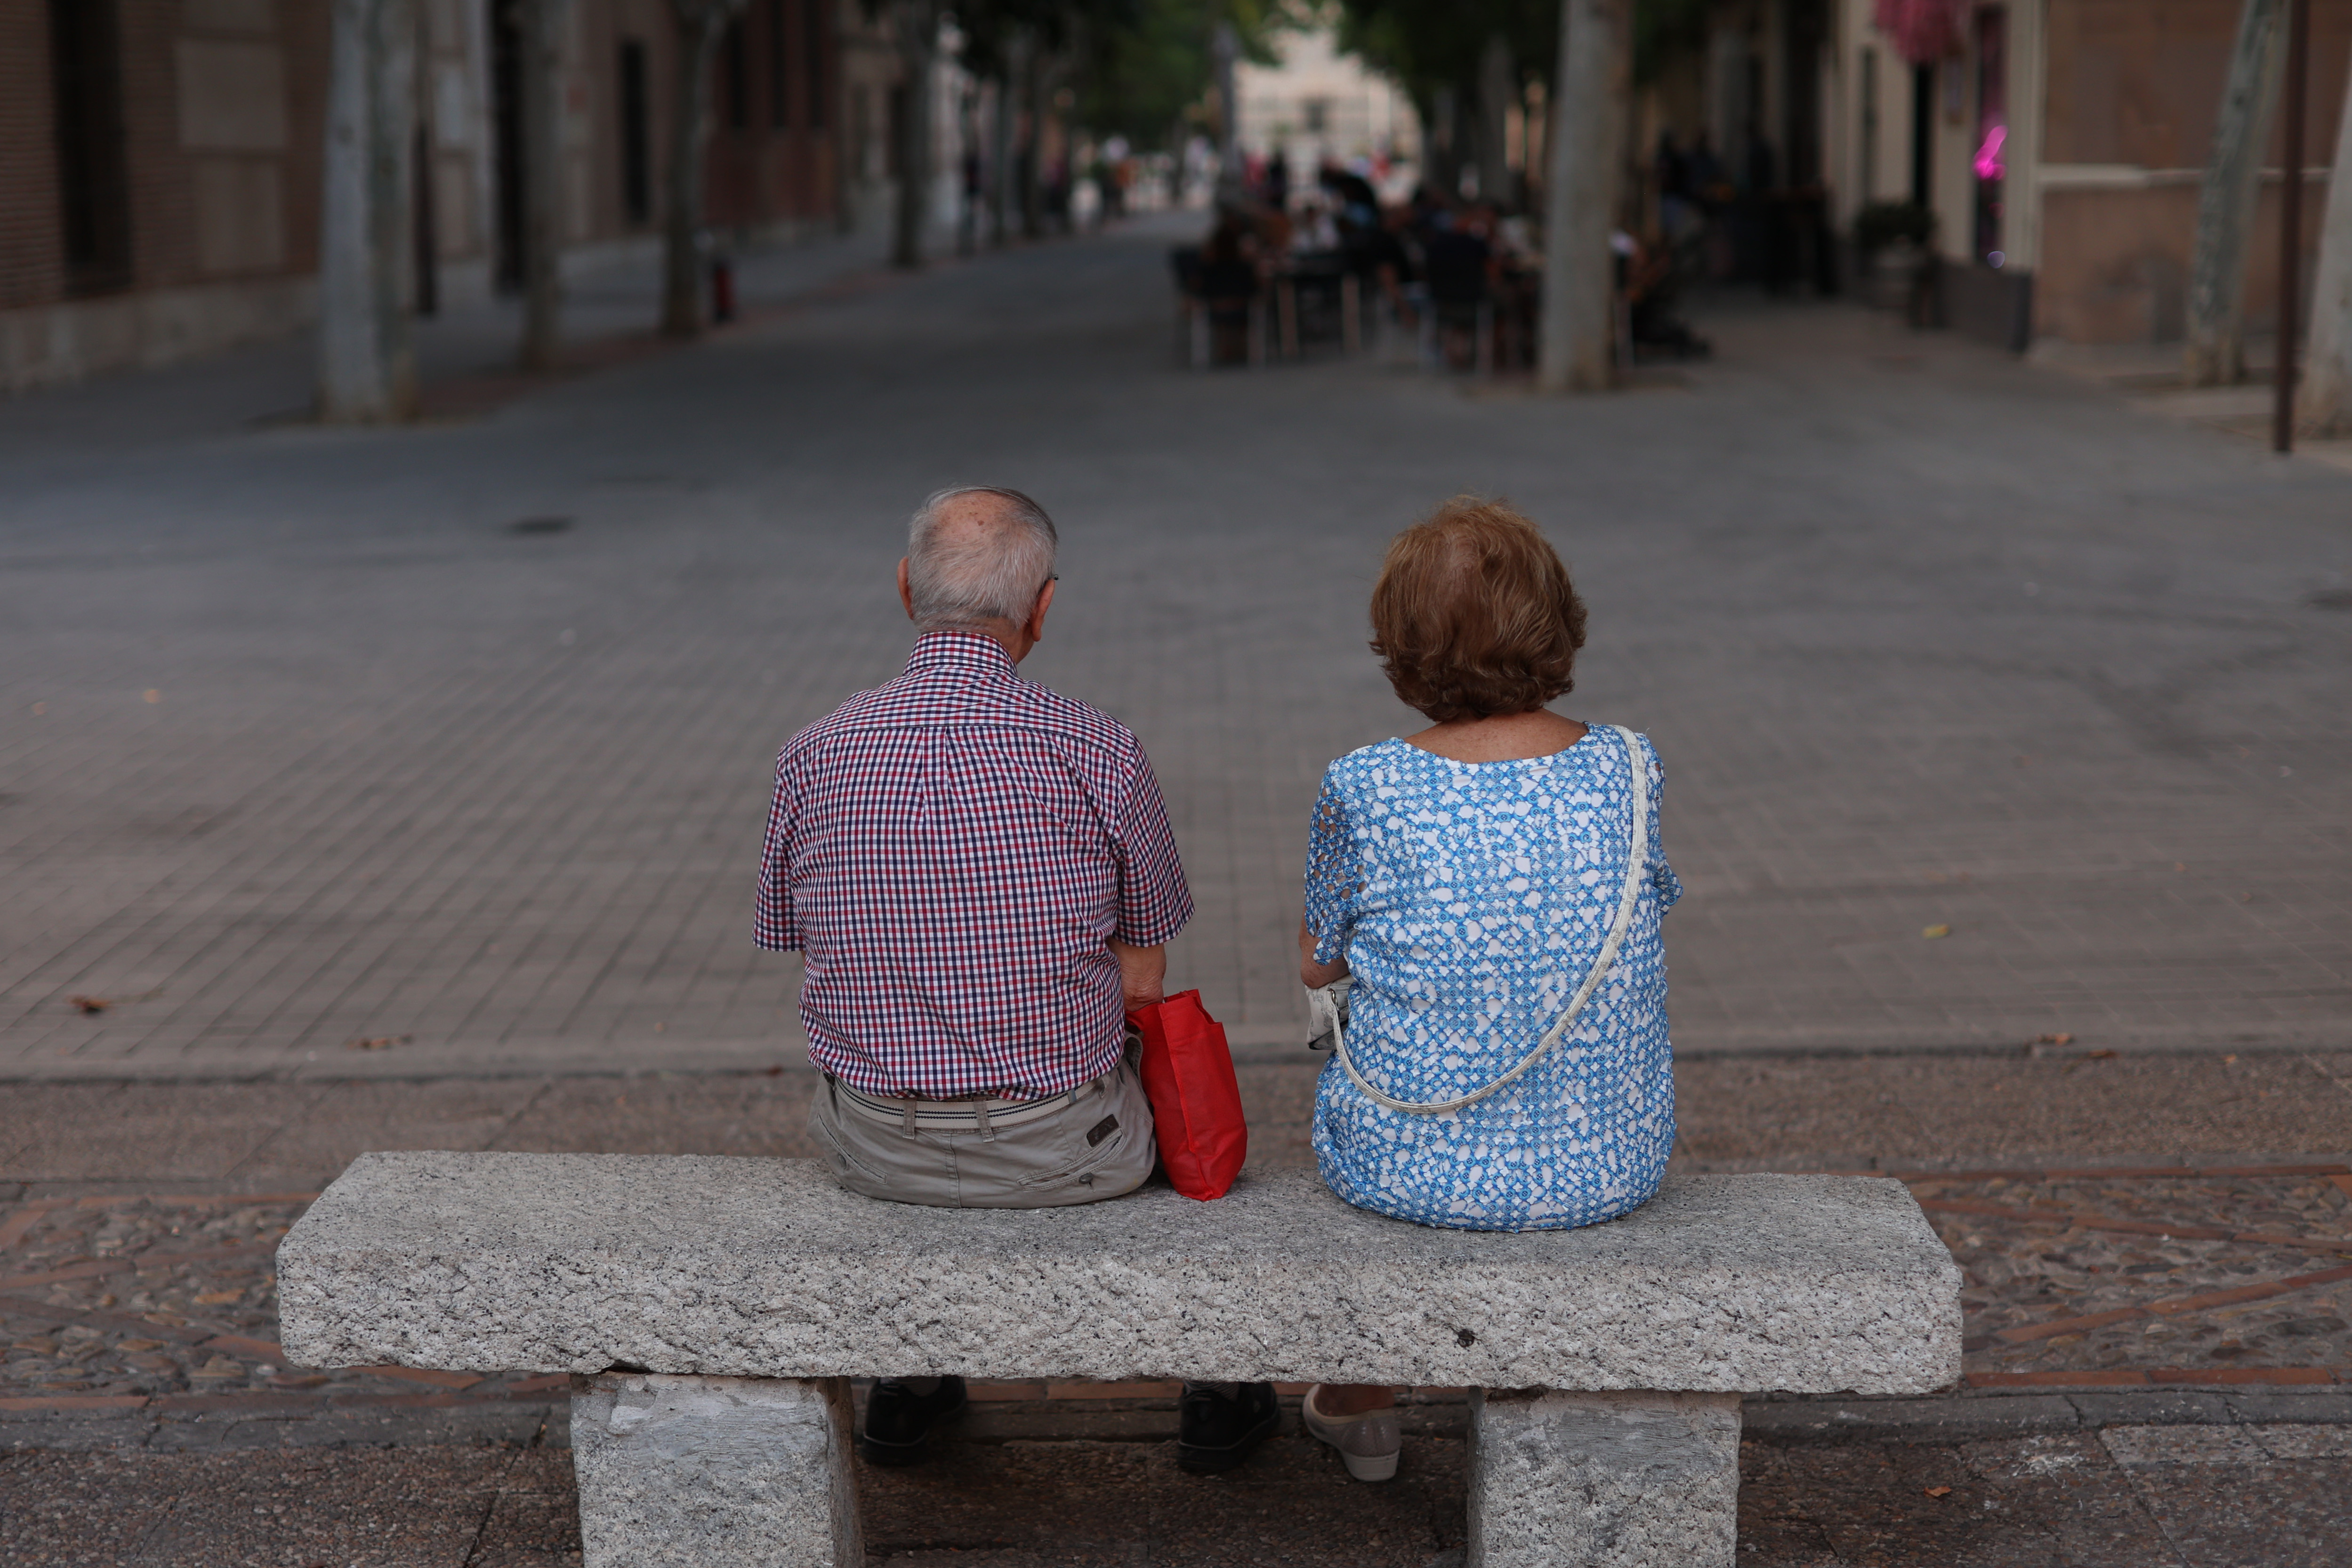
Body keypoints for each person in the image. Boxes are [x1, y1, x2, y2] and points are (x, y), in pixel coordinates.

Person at [755, 487, 1280, 1474]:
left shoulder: (813, 751)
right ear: (1043, 607)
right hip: (1067, 1152)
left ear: (905, 589)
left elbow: (792, 934)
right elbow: (1143, 976)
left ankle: (912, 1382)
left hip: (876, 1148)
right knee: (1161, 1092)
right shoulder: (1097, 748)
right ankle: (1221, 1379)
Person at [1290, 496, 1682, 1482]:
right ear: (1556, 620)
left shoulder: (1363, 783)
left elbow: (1317, 964)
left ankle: (1362, 1402)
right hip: (1607, 1162)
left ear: (1401, 646)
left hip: (1409, 1163)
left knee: (1363, 1058)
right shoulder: (1629, 763)